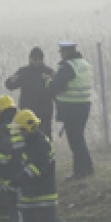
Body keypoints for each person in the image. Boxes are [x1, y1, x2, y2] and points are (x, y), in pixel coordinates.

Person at [8, 109, 70, 222]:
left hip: (44, 191)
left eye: (22, 130)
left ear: (29, 128)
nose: (20, 133)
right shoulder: (26, 142)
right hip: (28, 193)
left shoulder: (42, 144)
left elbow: (37, 167)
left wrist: (18, 178)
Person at [45, 41, 95, 181]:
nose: (60, 54)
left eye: (61, 52)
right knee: (79, 139)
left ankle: (80, 172)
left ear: (66, 52)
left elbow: (56, 86)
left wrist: (47, 82)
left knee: (75, 141)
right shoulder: (84, 64)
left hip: (72, 107)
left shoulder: (68, 66)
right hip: (84, 105)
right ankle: (88, 168)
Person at [5, 46, 56, 139]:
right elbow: (9, 85)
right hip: (27, 110)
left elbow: (57, 88)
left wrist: (51, 79)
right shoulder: (23, 72)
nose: (36, 61)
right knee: (26, 135)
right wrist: (11, 81)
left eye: (39, 59)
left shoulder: (49, 72)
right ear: (30, 59)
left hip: (44, 110)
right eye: (34, 59)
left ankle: (47, 153)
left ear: (42, 59)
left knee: (45, 135)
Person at [0, 94, 24, 222]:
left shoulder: (2, 128)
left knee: (14, 205)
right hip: (27, 170)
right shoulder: (22, 121)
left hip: (12, 173)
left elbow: (5, 154)